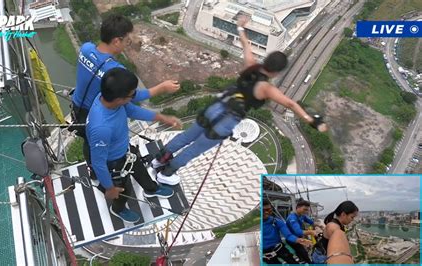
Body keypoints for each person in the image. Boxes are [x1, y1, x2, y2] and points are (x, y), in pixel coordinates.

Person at [152, 15, 328, 185]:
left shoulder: (251, 65)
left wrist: (240, 26)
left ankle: (159, 161)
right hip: (227, 120)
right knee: (194, 150)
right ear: (277, 72)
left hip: (215, 107)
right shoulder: (266, 88)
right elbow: (291, 104)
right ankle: (166, 173)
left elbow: (245, 43)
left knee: (185, 137)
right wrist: (312, 120)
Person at [71, 13, 180, 169]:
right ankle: (105, 174)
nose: (128, 44)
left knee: (89, 142)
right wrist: (162, 87)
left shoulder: (86, 48)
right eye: (127, 41)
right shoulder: (115, 71)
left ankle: (93, 169)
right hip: (95, 115)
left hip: (76, 107)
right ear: (116, 41)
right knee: (104, 147)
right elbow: (134, 97)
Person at [86, 67, 183, 223]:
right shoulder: (101, 127)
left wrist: (162, 118)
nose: (134, 97)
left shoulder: (107, 98)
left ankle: (151, 189)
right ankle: (118, 208)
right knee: (124, 190)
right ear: (120, 98)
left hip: (125, 151)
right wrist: (109, 188)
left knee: (139, 170)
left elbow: (133, 110)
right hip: (113, 163)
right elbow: (98, 162)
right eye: (132, 95)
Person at [262, 199, 312, 264]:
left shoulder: (277, 221)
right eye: (263, 210)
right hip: (266, 254)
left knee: (293, 262)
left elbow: (288, 235)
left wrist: (298, 240)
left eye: (269, 209)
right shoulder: (292, 218)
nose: (266, 212)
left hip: (279, 248)